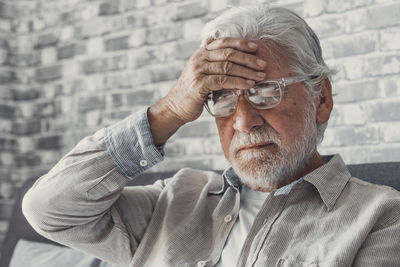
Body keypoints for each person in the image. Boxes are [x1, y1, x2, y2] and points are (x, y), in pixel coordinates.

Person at [22, 5, 400, 267]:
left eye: (266, 91)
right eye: (220, 97)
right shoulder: (175, 200)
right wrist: (168, 111)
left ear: (322, 98)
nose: (242, 121)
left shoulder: (381, 218)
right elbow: (48, 210)